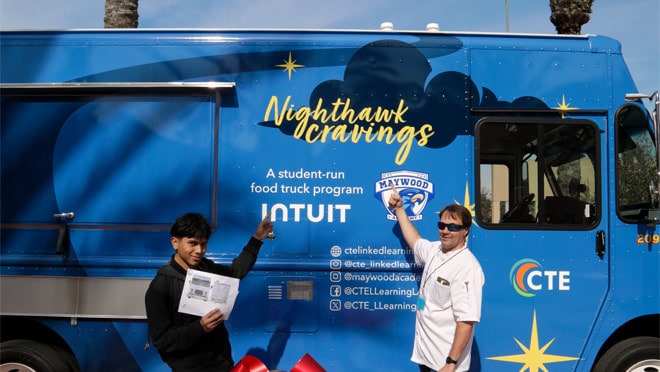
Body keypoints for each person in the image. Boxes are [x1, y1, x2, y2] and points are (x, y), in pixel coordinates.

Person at [145, 212, 274, 372]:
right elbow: (162, 341)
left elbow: (234, 274)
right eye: (192, 243)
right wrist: (200, 327)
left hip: (222, 365)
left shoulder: (206, 267)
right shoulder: (160, 286)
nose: (199, 250)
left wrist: (256, 239)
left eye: (204, 244)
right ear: (175, 242)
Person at [388, 184, 484, 372]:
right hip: (427, 355)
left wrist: (451, 362)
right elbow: (415, 240)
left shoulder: (467, 267)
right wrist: (399, 209)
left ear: (466, 231)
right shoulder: (435, 250)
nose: (445, 231)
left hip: (444, 361)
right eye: (442, 225)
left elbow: (467, 320)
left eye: (453, 227)